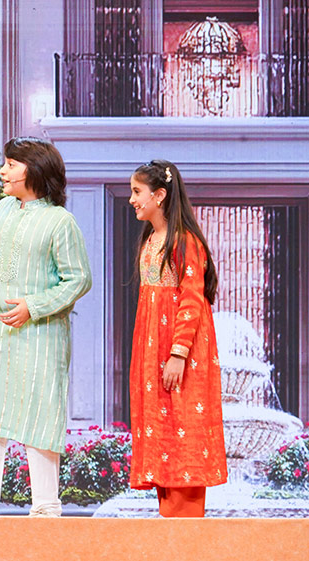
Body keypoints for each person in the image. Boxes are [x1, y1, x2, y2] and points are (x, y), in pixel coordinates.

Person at [0, 137, 92, 517]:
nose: (2, 170)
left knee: (41, 417)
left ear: (34, 170)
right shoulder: (3, 209)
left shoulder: (60, 222)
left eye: (11, 164)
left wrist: (33, 307)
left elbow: (78, 279)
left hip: (40, 336)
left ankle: (46, 507)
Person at [127, 159, 227, 517]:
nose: (132, 200)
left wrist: (178, 353)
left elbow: (192, 299)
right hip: (151, 350)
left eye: (137, 192)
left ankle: (186, 533)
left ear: (159, 195)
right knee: (163, 431)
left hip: (179, 353)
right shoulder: (151, 240)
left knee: (183, 425)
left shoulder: (184, 241)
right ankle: (170, 530)